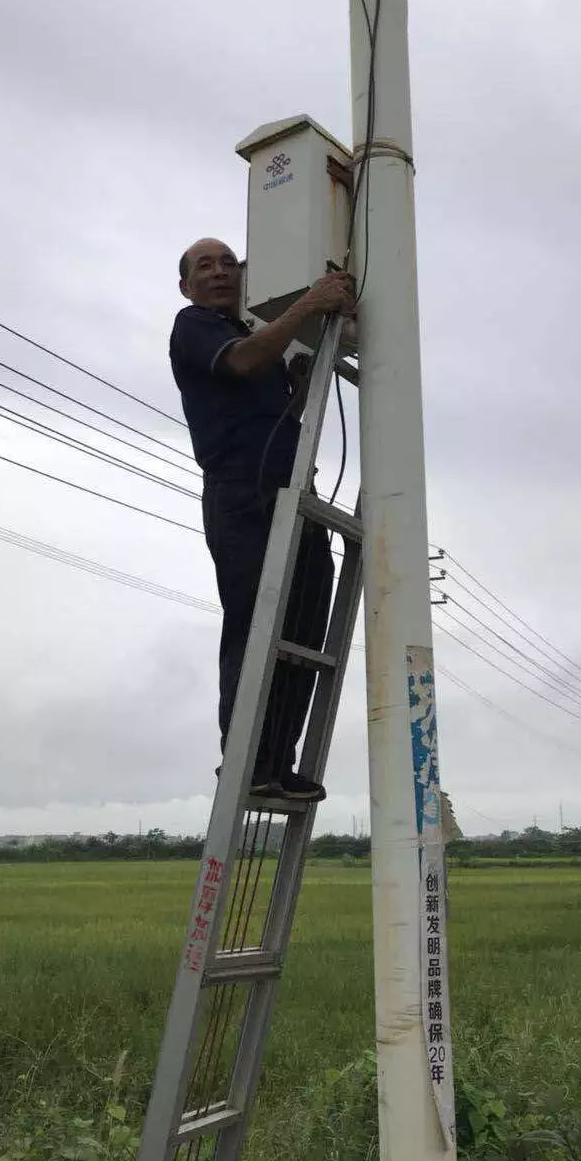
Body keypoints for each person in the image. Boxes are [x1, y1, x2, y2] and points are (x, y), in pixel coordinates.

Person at [170, 238, 355, 801]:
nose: (221, 272)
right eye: (206, 266)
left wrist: (296, 389)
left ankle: (277, 762)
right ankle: (246, 762)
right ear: (186, 285)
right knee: (255, 626)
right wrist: (309, 304)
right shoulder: (194, 325)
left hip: (293, 492)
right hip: (241, 497)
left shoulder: (256, 341)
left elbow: (272, 414)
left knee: (301, 629)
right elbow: (245, 360)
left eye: (229, 263)